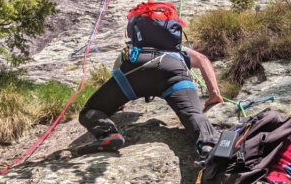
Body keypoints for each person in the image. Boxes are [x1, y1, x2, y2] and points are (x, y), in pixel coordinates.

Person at [78, 8, 223, 156]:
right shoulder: (177, 49)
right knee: (193, 113)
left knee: (88, 112)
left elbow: (118, 72)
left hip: (136, 69)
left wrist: (119, 102)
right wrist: (214, 95)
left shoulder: (132, 50)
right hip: (173, 70)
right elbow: (203, 60)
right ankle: (208, 145)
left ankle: (108, 134)